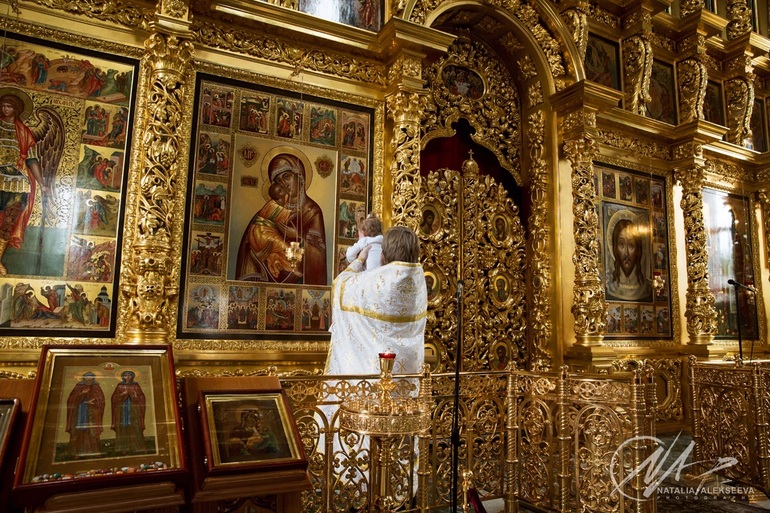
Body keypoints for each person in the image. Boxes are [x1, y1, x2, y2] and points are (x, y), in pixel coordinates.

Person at [325, 225, 427, 377]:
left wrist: (360, 260)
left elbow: (340, 284)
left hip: (373, 377)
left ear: (384, 254)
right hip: (408, 374)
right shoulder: (419, 283)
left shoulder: (376, 284)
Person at [236, 152, 327, 285]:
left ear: (300, 177)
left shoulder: (312, 211)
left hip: (299, 282)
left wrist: (298, 236)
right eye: (278, 181)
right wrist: (256, 256)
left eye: (287, 177)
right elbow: (248, 243)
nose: (283, 183)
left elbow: (319, 255)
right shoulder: (268, 211)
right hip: (266, 280)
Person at [0, 92, 49, 275]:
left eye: (9, 106)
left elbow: (32, 159)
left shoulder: (23, 132)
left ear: (16, 109)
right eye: (3, 105)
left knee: (9, 222)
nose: (5, 109)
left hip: (17, 182)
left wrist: (42, 184)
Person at [235, 181, 300, 282]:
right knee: (285, 248)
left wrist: (298, 234)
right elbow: (286, 215)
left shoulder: (275, 204)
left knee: (278, 253)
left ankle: (280, 266)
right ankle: (293, 268)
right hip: (264, 233)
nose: (286, 188)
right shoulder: (274, 206)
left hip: (262, 233)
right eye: (281, 189)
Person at [606, 214, 652, 301]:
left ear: (638, 250)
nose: (626, 253)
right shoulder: (610, 286)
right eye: (621, 244)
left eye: (631, 245)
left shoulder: (645, 288)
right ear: (615, 249)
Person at [65, 371, 105, 458]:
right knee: (78, 432)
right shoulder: (78, 386)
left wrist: (94, 401)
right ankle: (77, 453)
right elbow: (71, 400)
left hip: (92, 413)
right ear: (84, 378)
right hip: (79, 413)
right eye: (87, 377)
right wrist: (82, 394)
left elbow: (101, 400)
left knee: (92, 432)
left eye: (91, 377)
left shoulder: (96, 387)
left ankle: (95, 451)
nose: (89, 379)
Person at [111, 370, 147, 455]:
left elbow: (141, 397)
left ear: (132, 377)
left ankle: (138, 448)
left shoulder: (135, 385)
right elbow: (114, 398)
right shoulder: (120, 385)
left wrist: (135, 395)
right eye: (126, 375)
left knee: (135, 427)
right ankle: (124, 448)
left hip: (133, 409)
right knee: (123, 428)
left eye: (129, 375)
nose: (127, 377)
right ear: (123, 377)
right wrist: (122, 394)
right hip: (122, 410)